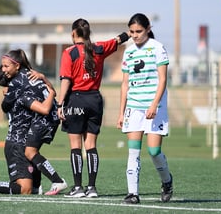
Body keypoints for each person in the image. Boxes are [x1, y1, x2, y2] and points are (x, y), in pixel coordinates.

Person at [0, 49, 67, 195]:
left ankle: (43, 183)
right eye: (3, 68)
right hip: (16, 144)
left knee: (32, 186)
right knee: (24, 189)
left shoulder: (20, 87)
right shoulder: (21, 92)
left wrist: (43, 79)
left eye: (6, 66)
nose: (4, 70)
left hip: (23, 142)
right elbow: (43, 106)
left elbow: (10, 103)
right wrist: (50, 90)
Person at [56, 18, 130, 198]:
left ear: (74, 33)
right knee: (91, 145)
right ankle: (92, 188)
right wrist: (134, 32)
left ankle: (78, 188)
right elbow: (119, 39)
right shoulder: (99, 48)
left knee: (75, 146)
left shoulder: (69, 52)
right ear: (88, 33)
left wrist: (60, 103)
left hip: (76, 100)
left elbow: (66, 80)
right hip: (95, 100)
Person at [116, 13, 173, 204]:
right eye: (131, 32)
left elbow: (163, 79)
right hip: (134, 107)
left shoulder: (158, 48)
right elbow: (125, 84)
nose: (135, 35)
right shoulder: (129, 52)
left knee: (154, 151)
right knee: (133, 151)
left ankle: (167, 181)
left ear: (148, 29)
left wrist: (154, 104)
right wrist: (121, 112)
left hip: (154, 107)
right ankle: (133, 194)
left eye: (139, 31)